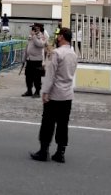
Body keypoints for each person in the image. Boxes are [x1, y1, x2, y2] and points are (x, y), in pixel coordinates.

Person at [30, 27, 78, 163]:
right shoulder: (73, 54)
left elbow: (50, 76)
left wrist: (45, 92)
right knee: (63, 124)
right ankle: (60, 152)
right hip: (67, 94)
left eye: (58, 36)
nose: (57, 38)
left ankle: (43, 151)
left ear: (62, 37)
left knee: (47, 123)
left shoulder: (56, 53)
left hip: (55, 94)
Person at [23, 23, 46, 97]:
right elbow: (27, 47)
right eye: (32, 29)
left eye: (33, 29)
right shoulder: (30, 37)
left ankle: (37, 92)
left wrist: (34, 36)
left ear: (38, 29)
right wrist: (24, 59)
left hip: (37, 60)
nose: (32, 30)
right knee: (28, 76)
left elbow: (41, 45)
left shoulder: (41, 36)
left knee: (37, 77)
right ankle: (29, 90)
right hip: (29, 59)